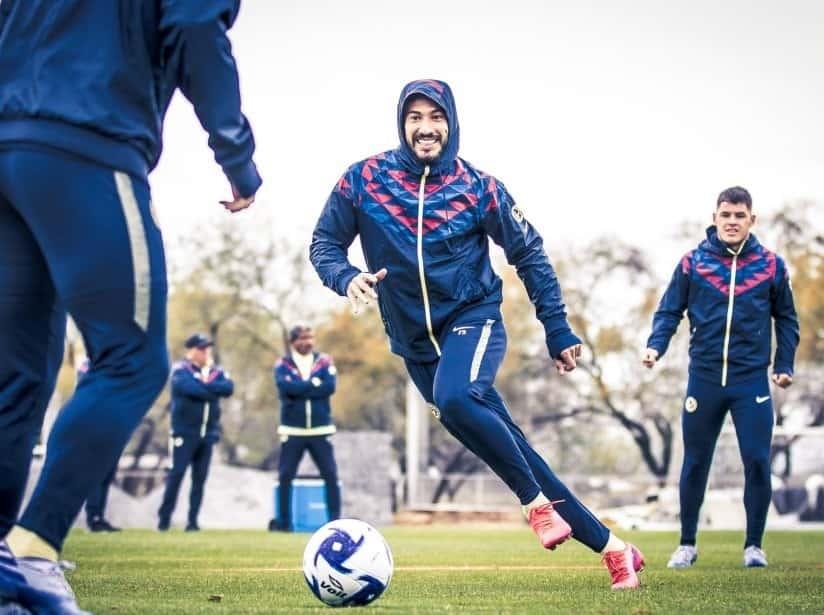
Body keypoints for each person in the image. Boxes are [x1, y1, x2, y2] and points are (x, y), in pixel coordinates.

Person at [310, 79, 643, 589]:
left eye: (435, 116)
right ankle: (616, 550)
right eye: (415, 117)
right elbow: (324, 243)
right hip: (415, 343)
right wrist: (346, 276)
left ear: (451, 122)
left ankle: (534, 507)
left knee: (458, 395)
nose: (425, 127)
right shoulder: (364, 180)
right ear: (402, 123)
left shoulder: (478, 187)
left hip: (474, 317)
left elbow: (529, 252)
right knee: (516, 452)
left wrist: (556, 327)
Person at [0, 1, 260, 611]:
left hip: (7, 141)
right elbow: (196, 24)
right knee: (133, 362)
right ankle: (32, 552)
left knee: (18, 376)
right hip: (86, 138)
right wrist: (237, 157)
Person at [643, 186, 799, 569]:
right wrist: (655, 346)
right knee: (695, 462)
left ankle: (754, 546)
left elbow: (787, 319)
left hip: (751, 383)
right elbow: (669, 311)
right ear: (714, 218)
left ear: (752, 220)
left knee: (758, 461)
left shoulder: (771, 266)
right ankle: (687, 543)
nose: (732, 222)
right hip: (705, 380)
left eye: (739, 216)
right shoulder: (693, 263)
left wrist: (784, 364)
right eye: (726, 215)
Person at [158, 335, 234, 532]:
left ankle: (192, 521)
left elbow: (228, 388)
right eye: (202, 349)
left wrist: (205, 387)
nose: (206, 353)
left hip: (207, 434)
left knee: (199, 480)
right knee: (177, 476)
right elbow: (190, 390)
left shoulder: (216, 371)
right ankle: (164, 519)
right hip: (184, 433)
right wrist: (211, 390)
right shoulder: (180, 370)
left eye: (207, 349)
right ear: (191, 350)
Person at [270, 325, 341, 532]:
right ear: (293, 342)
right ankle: (284, 523)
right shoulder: (283, 363)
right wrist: (314, 384)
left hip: (320, 430)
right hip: (293, 431)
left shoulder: (324, 361)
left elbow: (330, 387)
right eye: (302, 338)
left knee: (330, 475)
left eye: (310, 337)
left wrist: (302, 386)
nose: (307, 342)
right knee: (285, 476)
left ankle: (335, 522)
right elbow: (285, 388)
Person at [76, 359, 121, 533]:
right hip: (95, 423)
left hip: (114, 424)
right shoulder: (88, 366)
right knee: (96, 473)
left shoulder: (116, 362)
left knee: (108, 474)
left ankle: (99, 516)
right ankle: (93, 517)